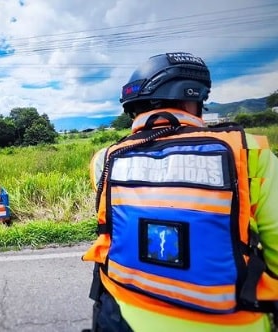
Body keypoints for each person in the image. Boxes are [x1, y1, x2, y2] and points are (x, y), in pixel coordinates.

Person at [82, 52, 278, 332]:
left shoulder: (105, 158)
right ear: (193, 99)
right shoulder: (252, 153)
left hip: (122, 313)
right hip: (233, 319)